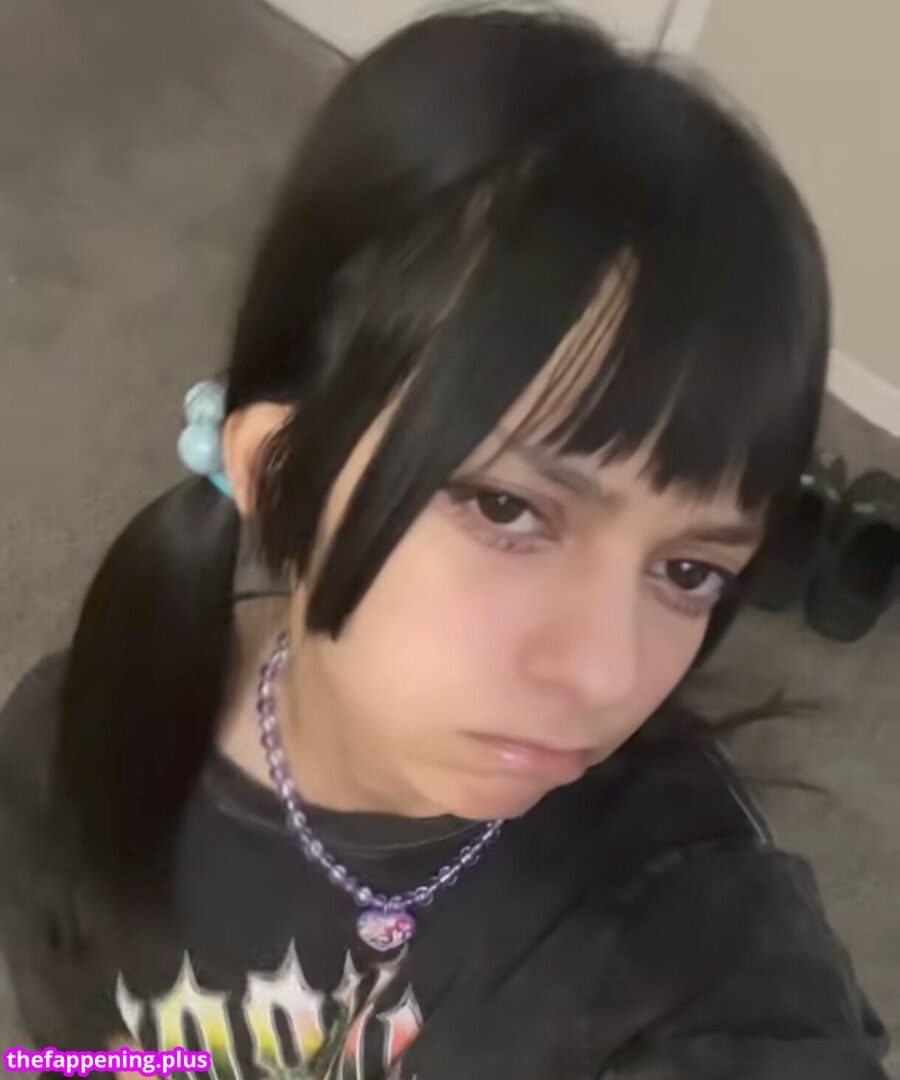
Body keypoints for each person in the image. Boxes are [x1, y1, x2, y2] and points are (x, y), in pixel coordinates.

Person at [0, 9, 890, 1080]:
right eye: (509, 510)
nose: (607, 675)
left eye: (689, 570)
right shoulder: (65, 740)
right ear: (278, 472)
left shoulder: (682, 929)